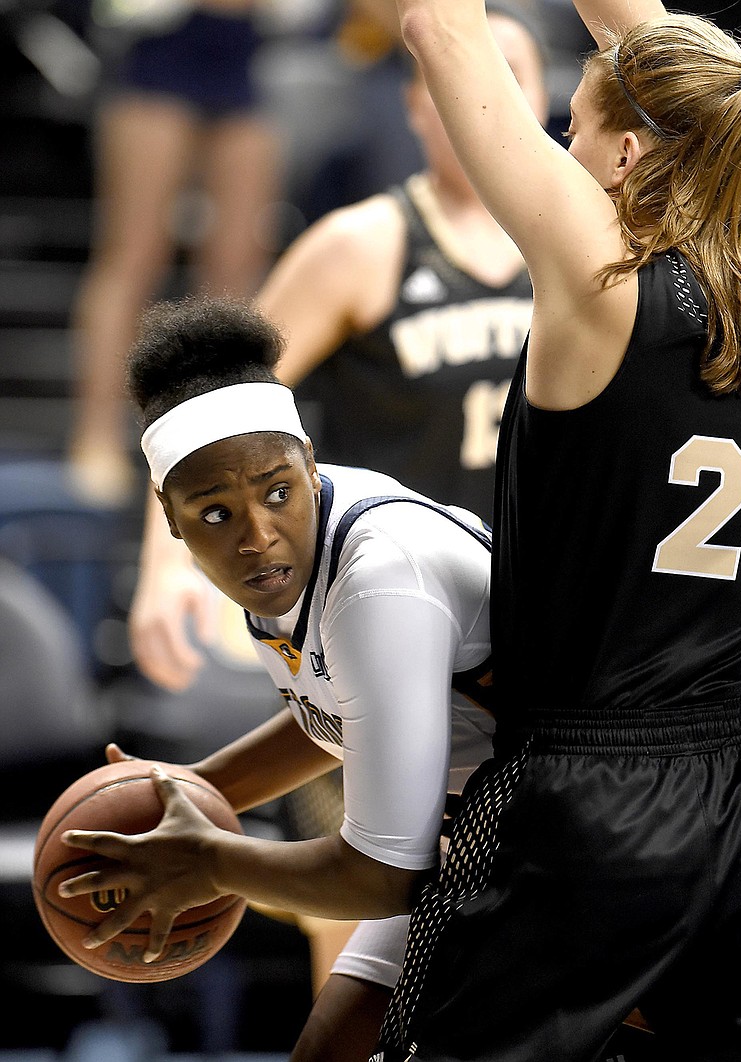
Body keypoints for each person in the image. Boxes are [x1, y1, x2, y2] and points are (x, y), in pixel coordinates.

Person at [356, 0, 741, 1060]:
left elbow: (439, 27)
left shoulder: (598, 277)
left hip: (596, 797)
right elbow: (687, 82)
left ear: (629, 152)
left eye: (570, 130)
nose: (558, 146)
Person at [57, 293, 498, 1062]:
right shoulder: (291, 558)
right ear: (170, 518)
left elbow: (384, 878)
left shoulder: (376, 578)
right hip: (500, 831)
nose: (258, 536)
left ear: (309, 465)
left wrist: (209, 861)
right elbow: (329, 715)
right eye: (216, 514)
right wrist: (195, 792)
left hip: (599, 830)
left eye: (276, 492)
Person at [127, 0, 546, 696]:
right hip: (385, 599)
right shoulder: (362, 244)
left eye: (509, 75)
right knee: (380, 800)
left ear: (541, 96)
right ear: (416, 104)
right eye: (459, 77)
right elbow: (212, 396)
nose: (484, 98)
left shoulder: (584, 241)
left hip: (544, 601)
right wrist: (164, 568)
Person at [67, 0, 281, 506]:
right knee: (134, 256)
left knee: (237, 269)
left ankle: (226, 430)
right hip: (159, 59)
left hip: (242, 61)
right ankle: (97, 436)